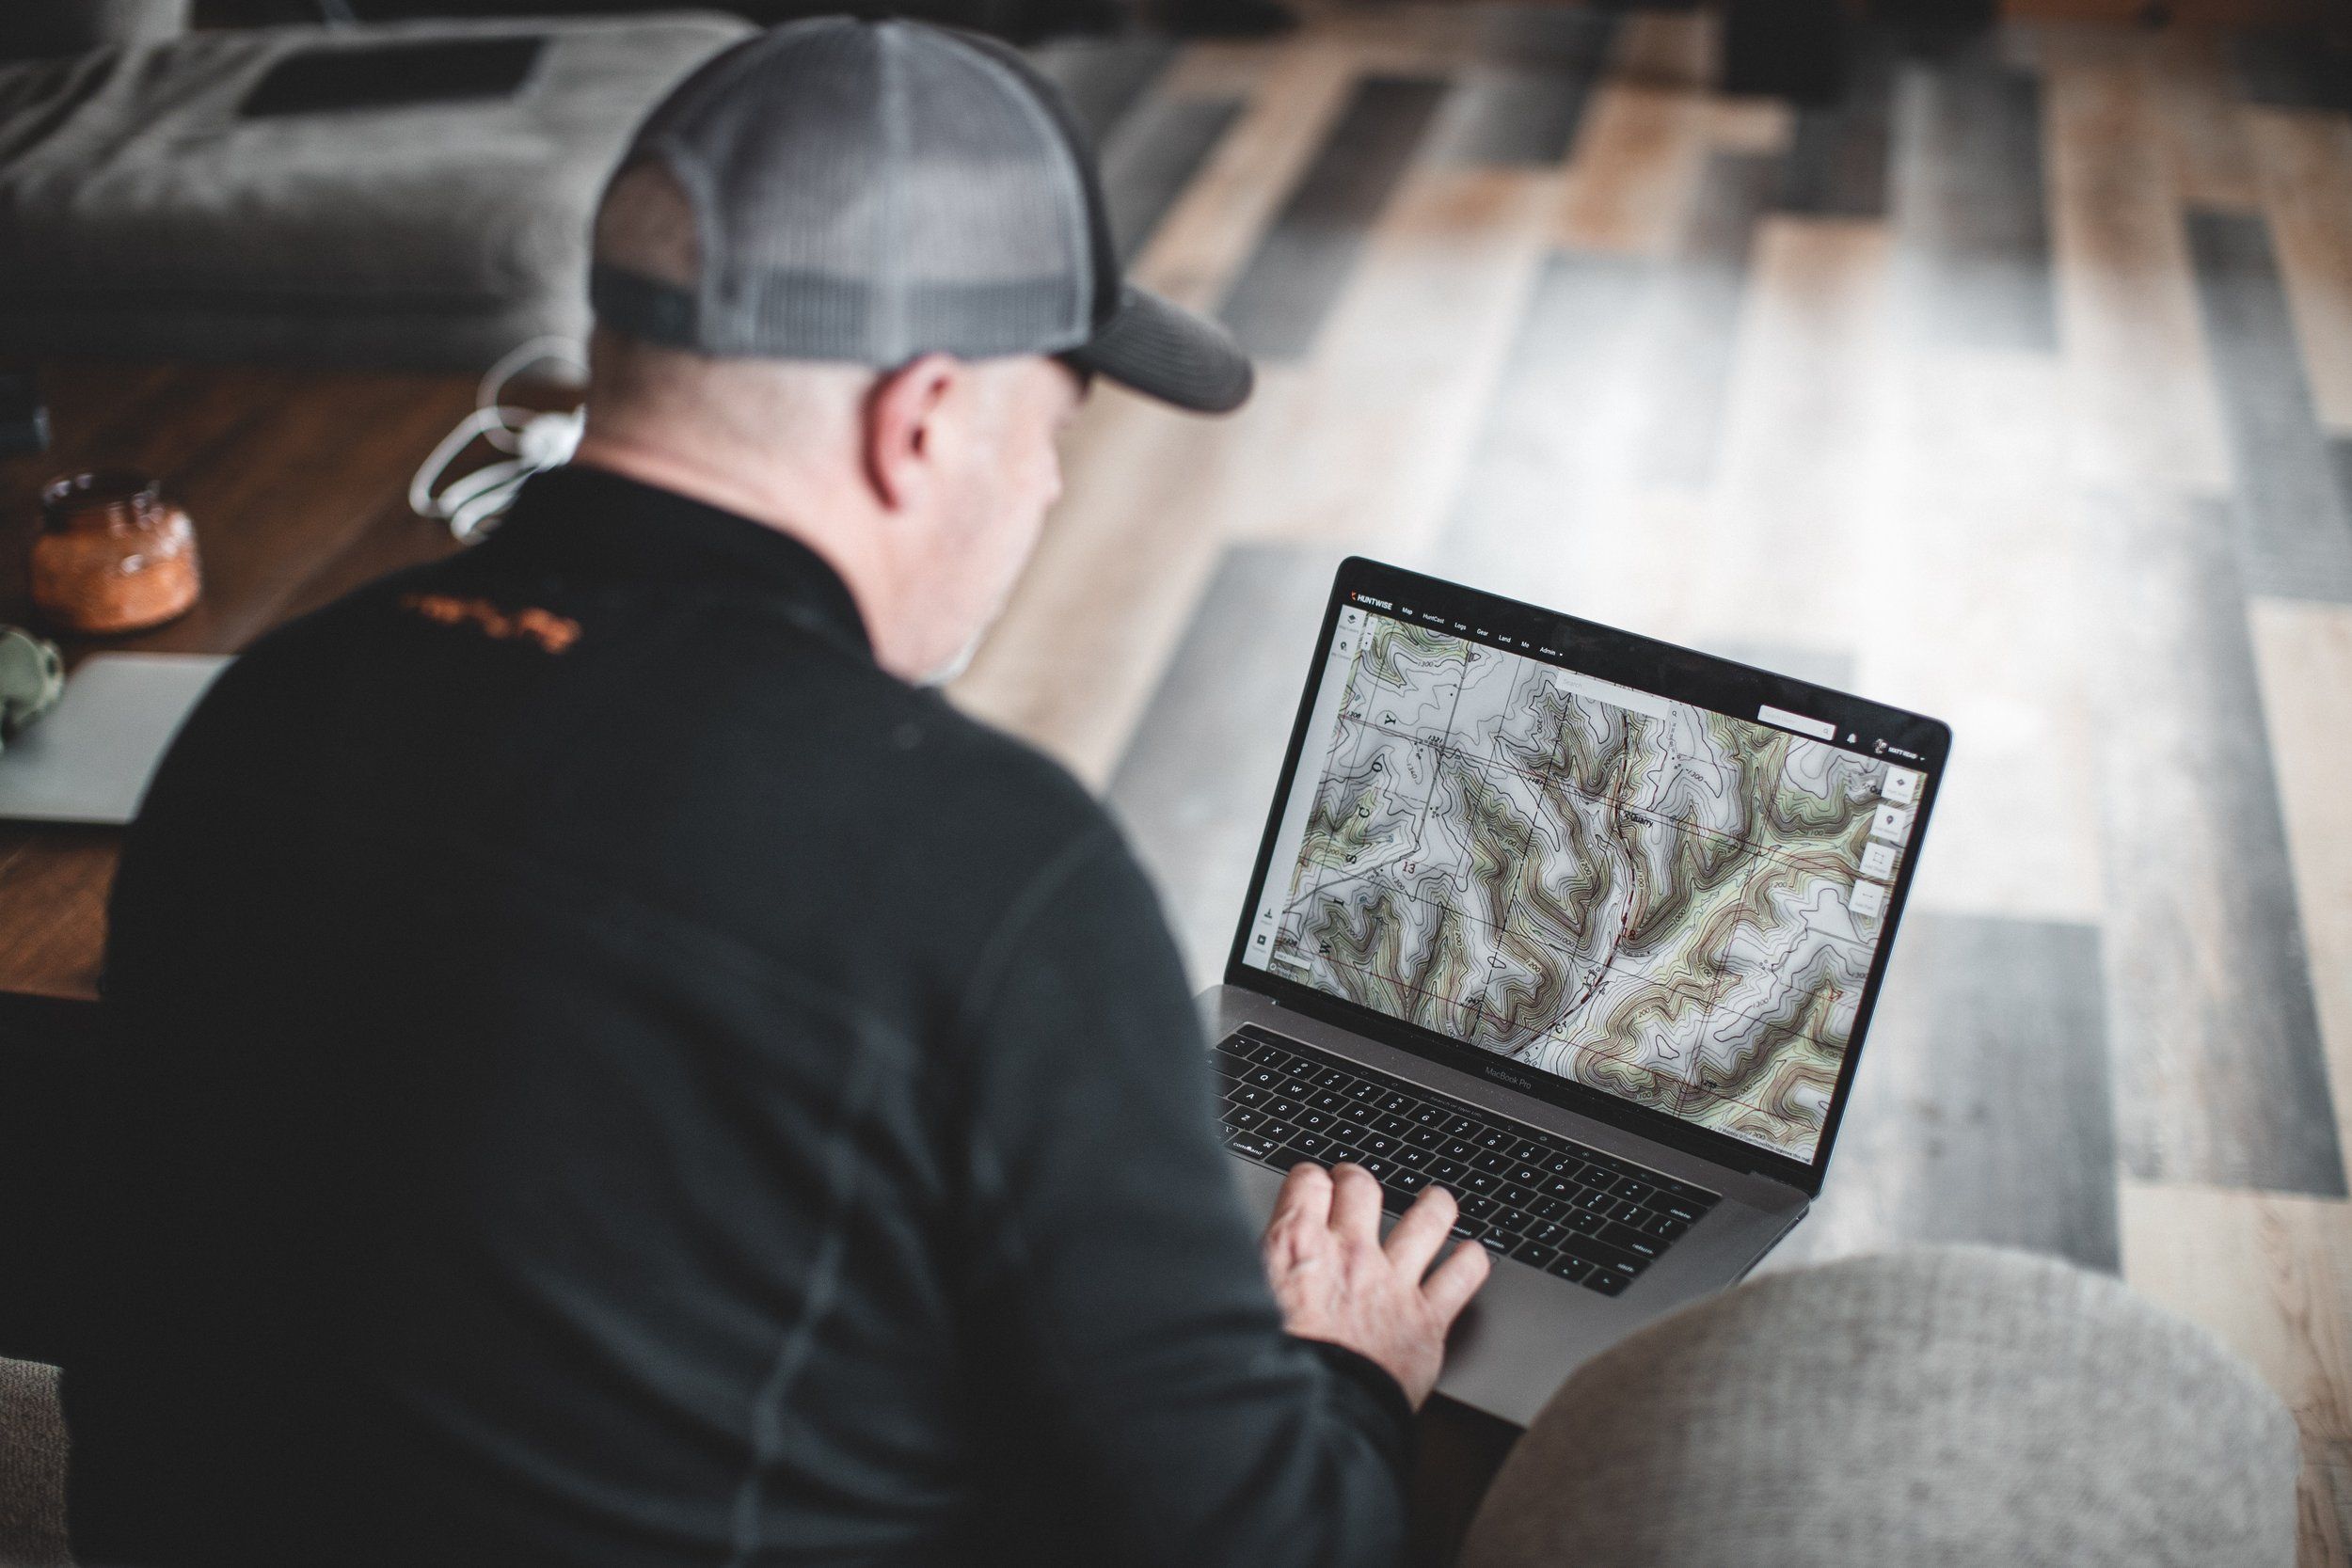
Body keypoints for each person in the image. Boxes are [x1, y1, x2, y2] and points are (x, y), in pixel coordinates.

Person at [58, 19, 1488, 1566]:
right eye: (1050, 431)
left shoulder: (271, 703)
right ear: (923, 421)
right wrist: (1346, 1370)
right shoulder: (991, 874)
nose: (1050, 491)